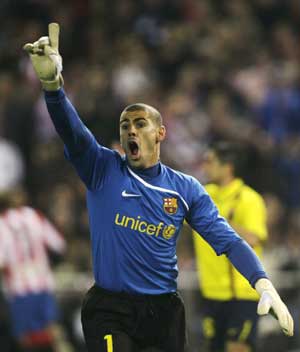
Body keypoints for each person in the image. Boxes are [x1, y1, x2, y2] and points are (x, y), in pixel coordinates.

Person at [23, 23, 294, 352]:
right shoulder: (102, 168)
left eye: (140, 123)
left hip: (164, 313)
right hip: (111, 309)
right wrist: (53, 86)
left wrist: (262, 282)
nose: (130, 131)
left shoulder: (185, 189)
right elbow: (73, 132)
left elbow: (227, 240)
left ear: (161, 133)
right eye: (125, 125)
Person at [193, 142, 268, 352]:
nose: (205, 167)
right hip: (210, 293)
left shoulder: (248, 199)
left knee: (237, 348)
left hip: (241, 294)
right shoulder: (202, 194)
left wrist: (220, 223)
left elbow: (254, 238)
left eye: (209, 162)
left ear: (228, 167)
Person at [0, 189, 66, 352]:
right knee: (52, 333)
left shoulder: (2, 223)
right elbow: (59, 244)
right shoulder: (35, 216)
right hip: (43, 284)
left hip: (19, 288)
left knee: (26, 340)